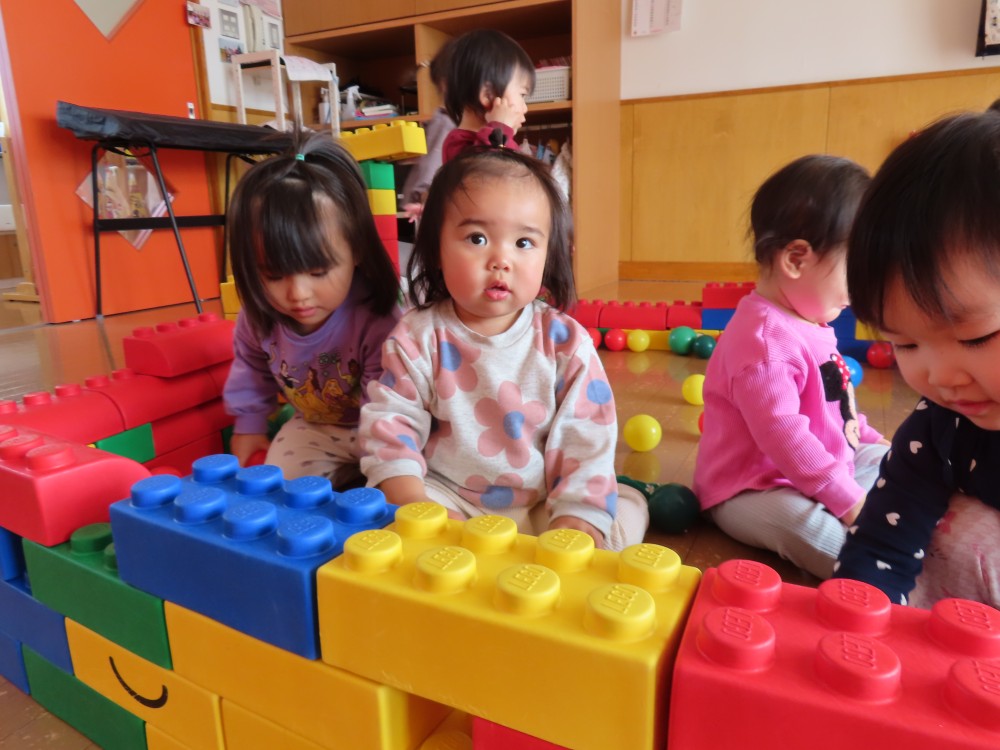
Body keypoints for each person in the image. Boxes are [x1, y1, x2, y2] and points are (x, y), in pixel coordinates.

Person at [359, 149, 649, 551]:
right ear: (437, 249)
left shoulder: (566, 342)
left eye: (524, 242)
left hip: (542, 504)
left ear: (549, 255)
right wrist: (413, 502)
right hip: (449, 499)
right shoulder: (416, 336)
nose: (501, 260)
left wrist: (576, 517)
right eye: (476, 238)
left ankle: (615, 510)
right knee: (387, 525)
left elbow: (585, 437)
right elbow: (391, 423)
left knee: (613, 521)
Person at [692, 155, 890, 580]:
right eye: (854, 272)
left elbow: (836, 406)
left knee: (895, 462)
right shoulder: (764, 341)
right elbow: (786, 436)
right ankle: (880, 577)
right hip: (750, 488)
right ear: (796, 260)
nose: (860, 291)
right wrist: (848, 502)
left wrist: (870, 439)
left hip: (820, 465)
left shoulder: (811, 320)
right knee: (811, 531)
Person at [834, 110, 1000, 608]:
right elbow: (880, 546)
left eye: (975, 338)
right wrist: (859, 621)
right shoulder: (937, 429)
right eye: (905, 344)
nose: (940, 377)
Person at [223, 132, 401, 487]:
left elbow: (386, 405)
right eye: (273, 275)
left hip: (386, 427)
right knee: (282, 492)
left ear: (357, 250)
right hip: (316, 427)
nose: (298, 294)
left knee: (404, 491)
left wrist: (382, 467)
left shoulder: (378, 318)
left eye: (318, 272)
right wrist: (249, 425)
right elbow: (250, 369)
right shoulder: (258, 317)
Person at [440, 29, 535, 163]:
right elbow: (491, 168)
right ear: (487, 94)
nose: (525, 108)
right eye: (522, 94)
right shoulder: (457, 143)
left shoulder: (497, 140)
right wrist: (500, 129)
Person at [400, 42, 457, 223]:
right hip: (430, 209)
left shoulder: (451, 123)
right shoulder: (445, 123)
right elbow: (429, 170)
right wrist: (425, 199)